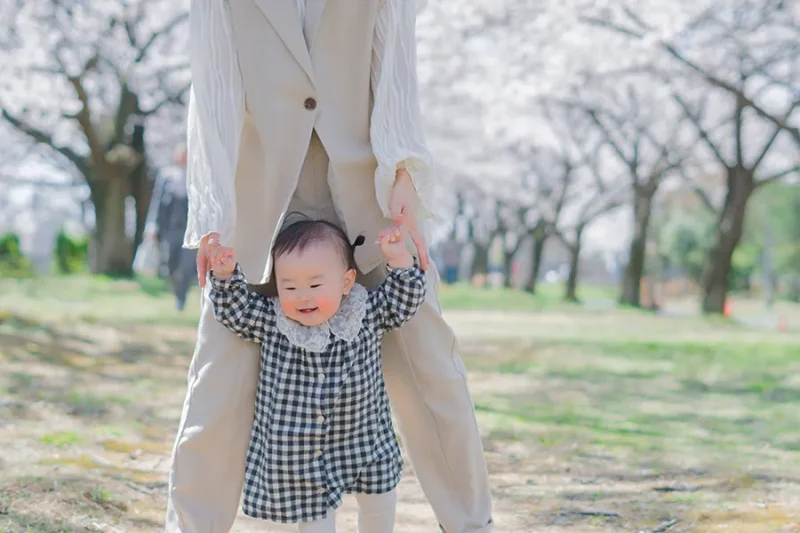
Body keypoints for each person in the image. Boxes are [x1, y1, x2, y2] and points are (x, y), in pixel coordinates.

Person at [165, 1, 493, 532]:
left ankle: (471, 524)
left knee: (432, 370)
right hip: (259, 198)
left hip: (372, 194)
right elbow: (213, 84)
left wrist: (404, 171)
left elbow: (395, 65)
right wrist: (211, 212)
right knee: (218, 384)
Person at [206, 219, 425, 532]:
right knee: (315, 521)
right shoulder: (273, 320)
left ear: (346, 282)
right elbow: (234, 310)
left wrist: (398, 257)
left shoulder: (366, 313)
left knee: (379, 504)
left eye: (315, 285)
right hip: (300, 452)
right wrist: (225, 275)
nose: (303, 296)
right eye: (290, 286)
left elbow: (405, 298)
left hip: (364, 439)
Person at [155, 145, 197, 311]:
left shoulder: (196, 176)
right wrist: (152, 226)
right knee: (171, 265)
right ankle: (175, 290)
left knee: (186, 266)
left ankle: (181, 298)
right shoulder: (166, 176)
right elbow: (156, 202)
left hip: (190, 229)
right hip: (170, 228)